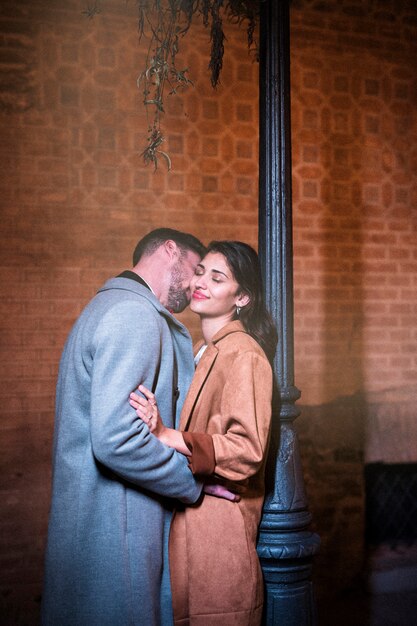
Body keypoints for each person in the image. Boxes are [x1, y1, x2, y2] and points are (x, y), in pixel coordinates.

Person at [42, 228, 210, 626]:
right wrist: (190, 482)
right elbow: (117, 438)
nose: (196, 286)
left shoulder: (103, 307)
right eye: (196, 268)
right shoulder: (134, 314)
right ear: (171, 250)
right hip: (120, 534)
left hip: (95, 526)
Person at [130, 240, 278, 625]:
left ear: (242, 296)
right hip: (190, 532)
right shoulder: (203, 350)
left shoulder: (243, 353)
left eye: (218, 278)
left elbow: (247, 449)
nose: (202, 284)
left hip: (220, 539)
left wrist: (166, 434)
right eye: (200, 273)